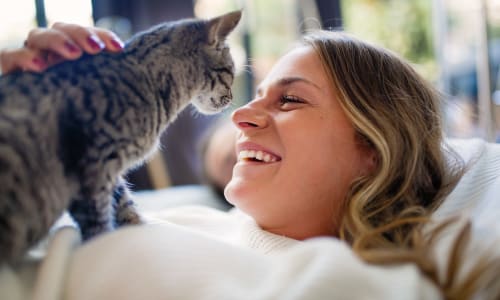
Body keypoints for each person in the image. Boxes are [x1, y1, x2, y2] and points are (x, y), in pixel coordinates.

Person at [1, 21, 499, 300]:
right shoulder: (186, 221)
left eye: (291, 100)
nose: (241, 114)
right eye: (255, 96)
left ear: (373, 148)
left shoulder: (359, 285)